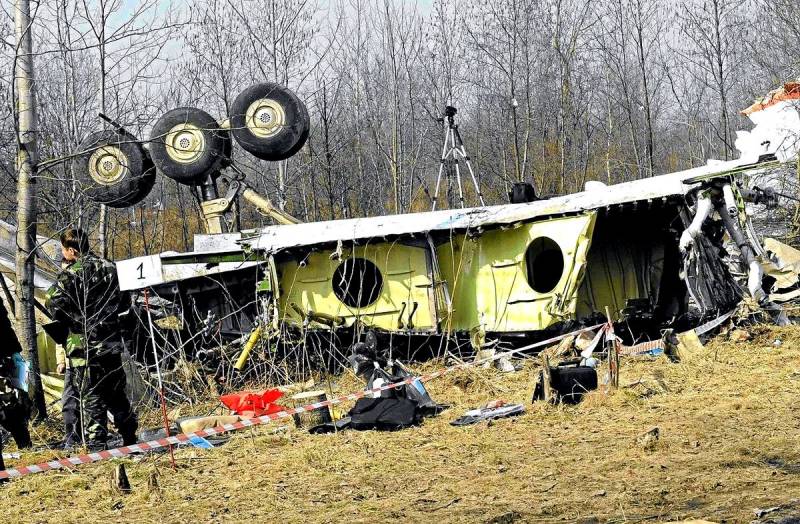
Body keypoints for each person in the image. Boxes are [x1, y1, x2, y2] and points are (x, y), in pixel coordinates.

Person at [45, 229, 137, 450]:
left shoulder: (72, 274)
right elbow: (125, 303)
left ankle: (97, 448)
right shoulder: (111, 267)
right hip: (111, 344)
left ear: (72, 250)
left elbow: (51, 301)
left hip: (84, 347)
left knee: (92, 398)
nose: (63, 254)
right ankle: (130, 436)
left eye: (64, 250)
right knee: (116, 395)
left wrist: (72, 315)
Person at [0, 293, 31, 476]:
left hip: (4, 361)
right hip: (7, 358)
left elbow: (4, 324)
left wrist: (14, 351)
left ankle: (26, 448)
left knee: (14, 410)